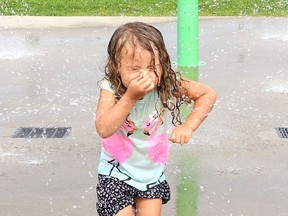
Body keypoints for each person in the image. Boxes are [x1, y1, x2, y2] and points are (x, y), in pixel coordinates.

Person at [95, 22, 217, 216]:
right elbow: (103, 128)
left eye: (152, 67)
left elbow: (207, 94)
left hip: (151, 176)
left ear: (163, 64)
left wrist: (188, 127)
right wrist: (130, 97)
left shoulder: (165, 84)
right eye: (135, 69)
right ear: (116, 67)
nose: (145, 75)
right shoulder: (110, 88)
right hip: (115, 174)